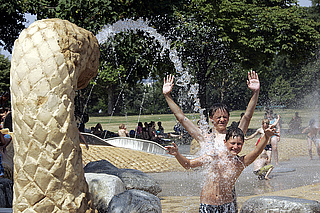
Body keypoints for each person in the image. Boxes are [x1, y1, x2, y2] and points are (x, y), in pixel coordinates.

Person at [165, 126, 276, 212]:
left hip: (227, 206)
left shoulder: (240, 162)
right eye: (232, 143)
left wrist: (266, 137)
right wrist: (177, 154)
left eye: (239, 144)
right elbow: (188, 164)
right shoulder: (213, 157)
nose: (236, 147)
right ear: (225, 142)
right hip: (208, 204)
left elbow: (256, 151)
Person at [162, 71, 260, 148]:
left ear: (229, 118)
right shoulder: (204, 137)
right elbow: (182, 118)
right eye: (218, 117)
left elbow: (247, 117)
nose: (222, 120)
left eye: (225, 117)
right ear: (211, 118)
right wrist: (167, 96)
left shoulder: (234, 136)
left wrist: (255, 92)